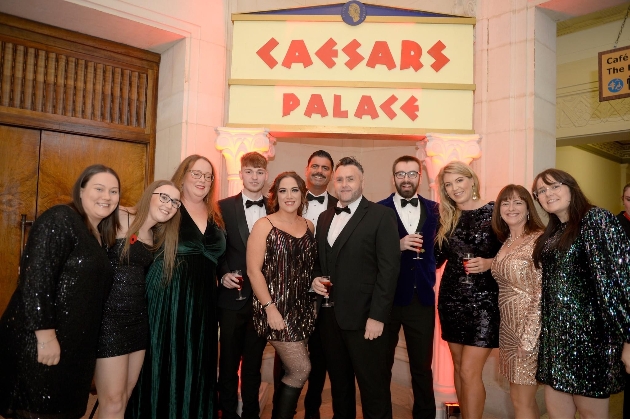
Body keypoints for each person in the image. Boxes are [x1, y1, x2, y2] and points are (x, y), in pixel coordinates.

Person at [0, 164, 120, 419]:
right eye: (99, 188)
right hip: (41, 344)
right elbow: (36, 278)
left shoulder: (97, 235)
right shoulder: (61, 218)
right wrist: (45, 338)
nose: (106, 197)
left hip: (73, 349)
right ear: (81, 190)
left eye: (113, 191)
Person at [126, 155, 226, 419]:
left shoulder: (216, 216)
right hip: (168, 295)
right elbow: (136, 231)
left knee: (197, 365)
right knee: (164, 360)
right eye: (196, 173)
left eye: (208, 176)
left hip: (204, 303)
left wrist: (223, 275)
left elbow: (216, 260)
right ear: (182, 175)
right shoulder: (168, 207)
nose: (202, 180)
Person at [532, 168, 630, 419]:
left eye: (554, 186)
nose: (547, 194)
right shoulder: (554, 231)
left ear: (571, 187)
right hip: (557, 340)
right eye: (541, 191)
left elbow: (619, 284)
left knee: (592, 415)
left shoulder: (596, 219)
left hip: (590, 342)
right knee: (557, 414)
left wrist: (628, 339)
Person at [311, 157, 400, 419]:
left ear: (362, 181)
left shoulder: (381, 215)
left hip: (365, 321)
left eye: (350, 179)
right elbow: (320, 261)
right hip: (329, 319)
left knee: (373, 390)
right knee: (340, 389)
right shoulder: (324, 217)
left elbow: (389, 270)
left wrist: (377, 317)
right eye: (339, 179)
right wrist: (316, 278)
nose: (344, 184)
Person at [94, 180, 181, 418]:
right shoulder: (120, 215)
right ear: (149, 195)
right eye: (164, 197)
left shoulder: (156, 235)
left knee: (123, 399)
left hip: (137, 321)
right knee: (111, 401)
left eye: (175, 202)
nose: (169, 205)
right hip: (109, 320)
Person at [247, 172, 317, 419]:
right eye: (283, 191)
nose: (289, 196)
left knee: (291, 369)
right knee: (300, 369)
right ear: (275, 195)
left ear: (302, 194)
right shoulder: (264, 224)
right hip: (275, 309)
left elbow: (307, 269)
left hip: (304, 309)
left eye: (294, 190)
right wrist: (270, 308)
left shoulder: (309, 226)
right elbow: (253, 270)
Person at [434, 160, 501, 419]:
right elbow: (436, 259)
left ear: (471, 179)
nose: (454, 188)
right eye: (448, 184)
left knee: (470, 370)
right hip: (451, 300)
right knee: (460, 366)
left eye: (459, 180)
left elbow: (516, 253)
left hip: (485, 303)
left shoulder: (495, 211)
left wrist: (490, 262)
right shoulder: (447, 217)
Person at [377, 155, 439, 419]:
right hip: (387, 301)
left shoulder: (437, 209)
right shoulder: (377, 210)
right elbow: (369, 254)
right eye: (400, 174)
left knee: (422, 368)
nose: (406, 178)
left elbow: (443, 249)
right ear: (393, 178)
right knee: (382, 367)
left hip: (422, 300)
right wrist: (397, 246)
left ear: (420, 177)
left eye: (412, 173)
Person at [217, 152, 270, 419]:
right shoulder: (223, 206)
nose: (254, 177)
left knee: (253, 364)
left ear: (266, 175)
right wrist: (223, 273)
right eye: (249, 171)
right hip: (230, 299)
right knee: (227, 363)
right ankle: (227, 412)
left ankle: (251, 413)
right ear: (241, 174)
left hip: (263, 300)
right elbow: (215, 248)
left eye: (259, 172)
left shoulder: (276, 207)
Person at [490, 184, 544, 419]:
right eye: (505, 202)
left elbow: (540, 292)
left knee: (521, 401)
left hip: (527, 330)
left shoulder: (538, 240)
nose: (511, 208)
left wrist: (529, 338)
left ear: (528, 208)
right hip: (508, 329)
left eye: (518, 202)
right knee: (522, 400)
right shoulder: (506, 241)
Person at [300, 150, 338, 419]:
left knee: (322, 354)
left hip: (325, 291)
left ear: (331, 174)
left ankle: (312, 410)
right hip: (291, 289)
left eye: (326, 168)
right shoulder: (290, 198)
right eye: (316, 166)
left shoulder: (340, 204)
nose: (320, 172)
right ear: (307, 169)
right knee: (288, 352)